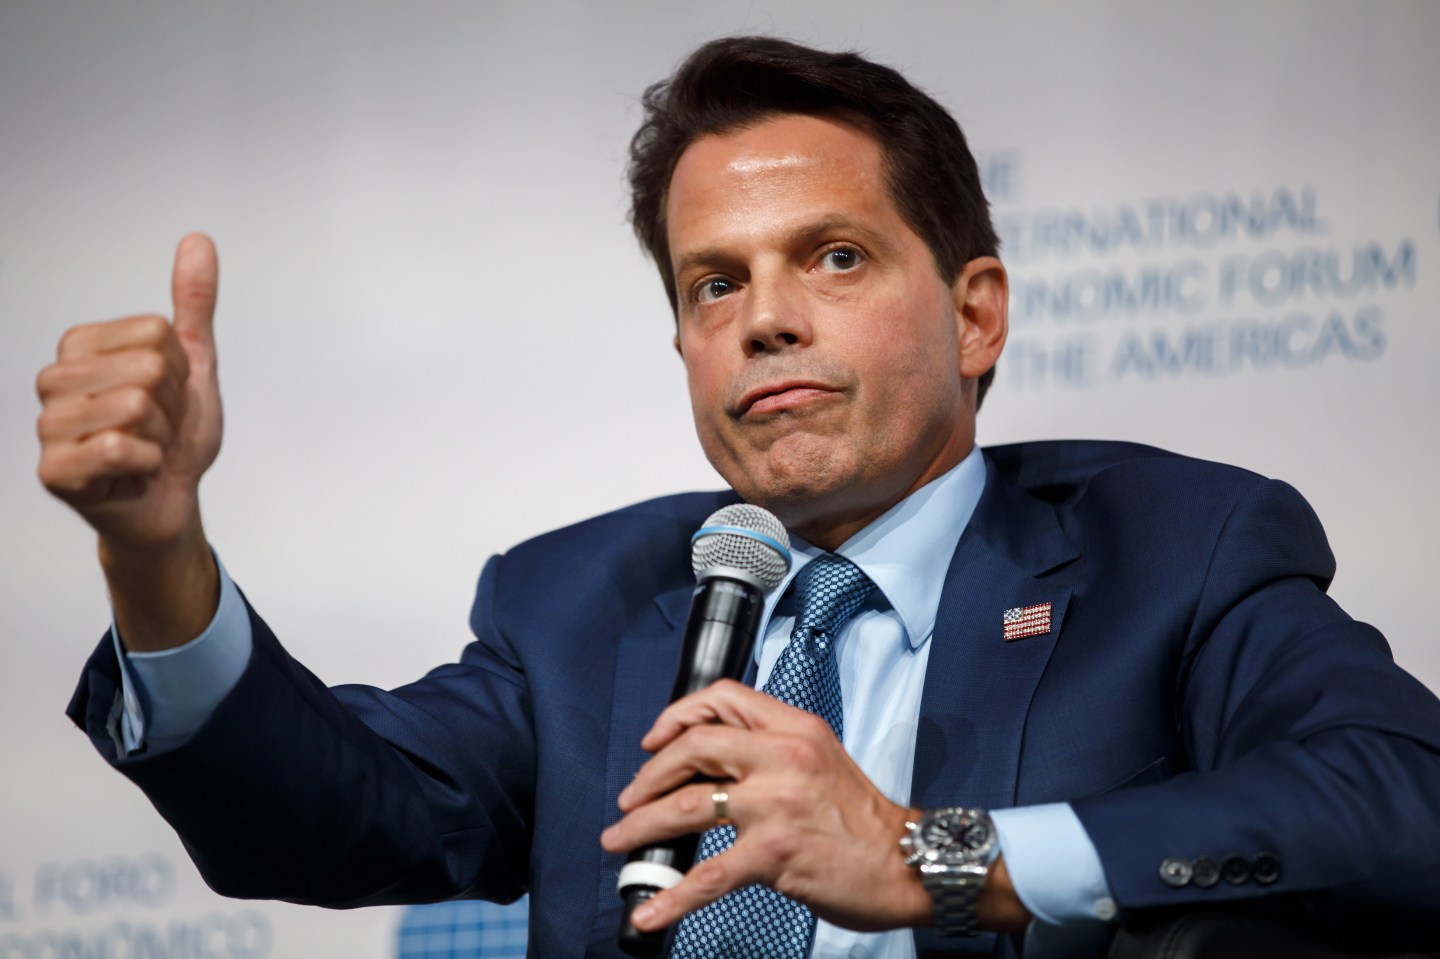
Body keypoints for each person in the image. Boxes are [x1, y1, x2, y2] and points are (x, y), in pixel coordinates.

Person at [39, 36, 1440, 959]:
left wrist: (937, 859)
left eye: (831, 258)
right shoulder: (578, 600)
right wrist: (156, 553)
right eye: (717, 282)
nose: (763, 319)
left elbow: (1399, 803)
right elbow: (323, 816)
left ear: (977, 316)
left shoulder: (1171, 551)